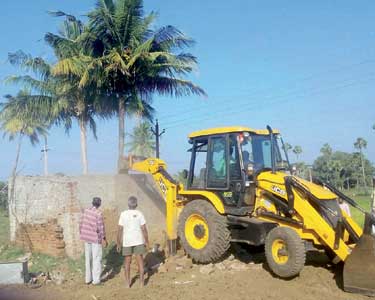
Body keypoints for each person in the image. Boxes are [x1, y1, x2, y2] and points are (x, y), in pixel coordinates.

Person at [117, 196, 149, 288]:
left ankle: (127, 284)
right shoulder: (139, 214)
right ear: (136, 204)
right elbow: (144, 229)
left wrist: (119, 243)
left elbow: (119, 229)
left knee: (127, 262)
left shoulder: (123, 214)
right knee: (140, 261)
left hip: (127, 241)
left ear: (128, 204)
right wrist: (147, 241)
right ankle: (142, 283)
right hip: (138, 241)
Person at [79, 197, 108, 285]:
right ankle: (96, 281)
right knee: (96, 259)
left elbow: (80, 223)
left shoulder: (86, 211)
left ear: (92, 203)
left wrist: (81, 232)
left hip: (86, 237)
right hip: (95, 239)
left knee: (88, 259)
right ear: (99, 204)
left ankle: (88, 279)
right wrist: (104, 239)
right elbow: (101, 227)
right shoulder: (98, 213)